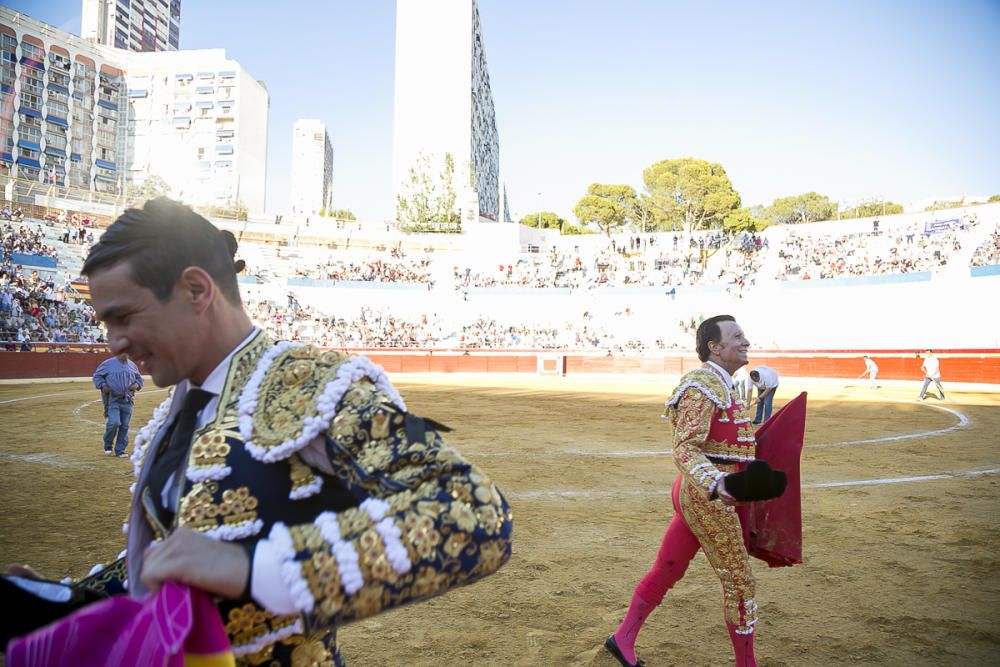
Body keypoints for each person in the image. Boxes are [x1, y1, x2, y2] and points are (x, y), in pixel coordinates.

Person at [8, 198, 513, 664]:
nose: (113, 342)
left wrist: (252, 567)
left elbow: (473, 511)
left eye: (123, 317)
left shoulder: (311, 384)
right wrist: (60, 598)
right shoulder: (178, 409)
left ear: (196, 289)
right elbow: (174, 562)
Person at [605, 315, 787, 667]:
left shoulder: (722, 383)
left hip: (703, 491)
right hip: (709, 494)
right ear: (715, 348)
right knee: (739, 582)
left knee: (668, 568)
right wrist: (716, 483)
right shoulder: (701, 384)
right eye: (737, 337)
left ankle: (622, 639)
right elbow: (685, 447)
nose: (745, 341)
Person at [92, 352, 143, 457]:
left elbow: (139, 379)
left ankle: (120, 450)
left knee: (124, 426)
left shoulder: (132, 365)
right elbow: (97, 376)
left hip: (128, 400)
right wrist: (102, 385)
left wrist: (136, 385)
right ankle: (108, 445)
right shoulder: (107, 364)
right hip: (112, 399)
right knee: (114, 423)